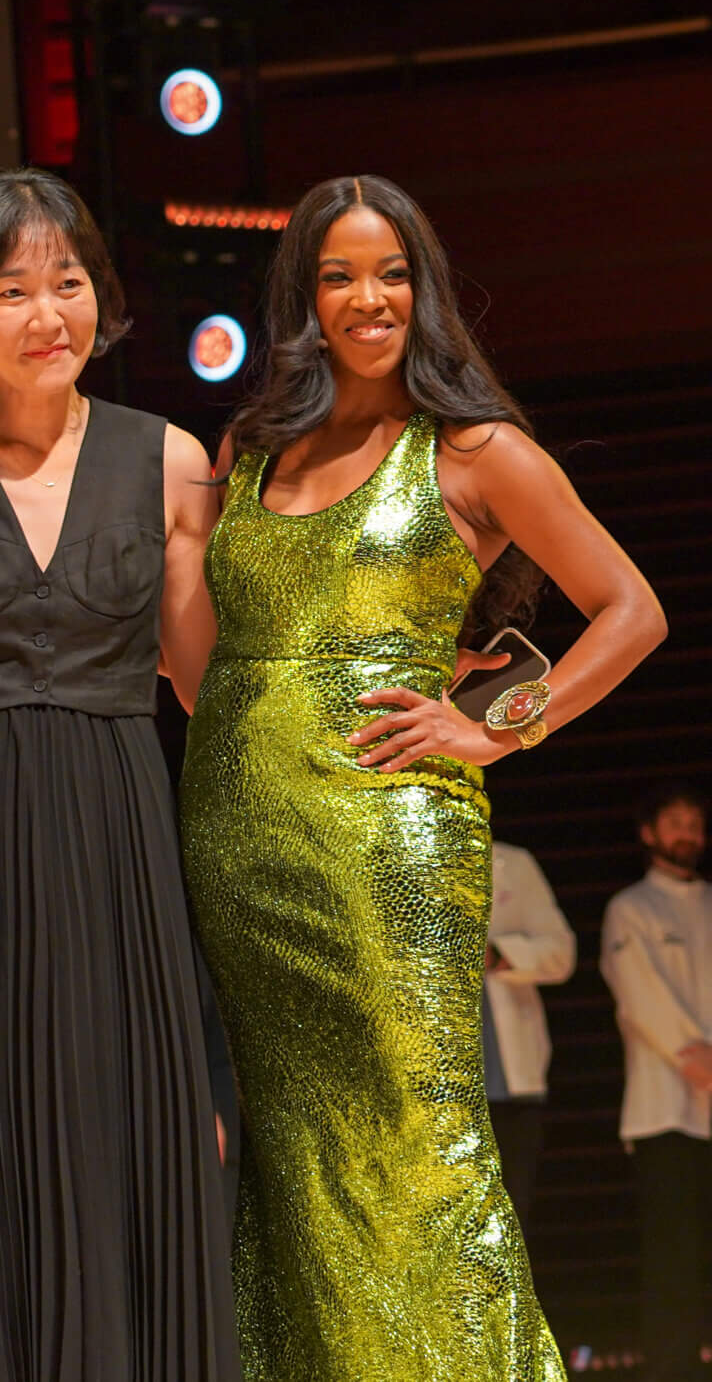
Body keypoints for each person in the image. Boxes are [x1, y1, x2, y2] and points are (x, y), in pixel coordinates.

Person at [177, 173, 666, 1381]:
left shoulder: (474, 449)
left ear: (423, 288)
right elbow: (207, 672)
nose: (367, 298)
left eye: (390, 273)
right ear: (301, 297)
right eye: (338, 275)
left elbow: (631, 611)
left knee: (419, 1147)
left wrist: (494, 729)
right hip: (238, 840)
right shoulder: (250, 451)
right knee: (291, 1166)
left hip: (383, 841)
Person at [0, 167, 236, 1382]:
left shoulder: (170, 460)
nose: (48, 314)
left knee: (112, 1115)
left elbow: (204, 682)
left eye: (68, 282)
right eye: (13, 288)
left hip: (111, 809)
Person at [601, 784, 712, 1382]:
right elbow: (638, 995)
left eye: (694, 822)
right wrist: (692, 1054)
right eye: (675, 821)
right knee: (672, 1259)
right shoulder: (631, 908)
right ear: (649, 833)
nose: (687, 832)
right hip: (663, 1106)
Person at [486, 839, 576, 1224]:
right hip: (431, 1084)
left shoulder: (512, 862)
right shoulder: (391, 850)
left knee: (510, 1217)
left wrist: (500, 953)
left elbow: (560, 953)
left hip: (509, 1082)